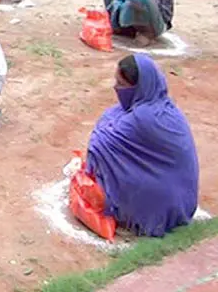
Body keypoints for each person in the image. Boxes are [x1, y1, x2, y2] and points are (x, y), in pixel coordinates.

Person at [85, 54, 199, 237]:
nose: (116, 88)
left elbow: (99, 145)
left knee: (101, 154)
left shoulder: (142, 119)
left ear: (138, 87)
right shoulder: (166, 108)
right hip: (184, 203)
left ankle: (133, 213)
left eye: (121, 84)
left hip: (158, 211)